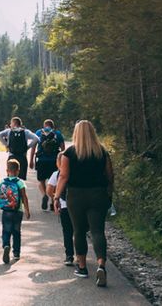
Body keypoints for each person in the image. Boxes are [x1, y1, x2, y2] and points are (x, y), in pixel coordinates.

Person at [54, 120, 114, 287]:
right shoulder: (102, 151)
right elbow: (110, 175)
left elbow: (63, 176)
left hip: (76, 196)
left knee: (78, 231)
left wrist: (56, 196)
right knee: (97, 231)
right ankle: (101, 265)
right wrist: (109, 192)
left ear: (76, 133)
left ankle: (82, 267)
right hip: (98, 194)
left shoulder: (70, 152)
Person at [0, 158, 30, 264]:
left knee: (6, 230)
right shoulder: (20, 183)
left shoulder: (2, 182)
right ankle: (16, 253)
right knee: (16, 232)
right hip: (17, 211)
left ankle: (6, 245)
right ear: (18, 171)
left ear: (7, 171)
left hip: (6, 211)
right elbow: (24, 197)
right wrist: (27, 210)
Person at [31, 119, 66, 210]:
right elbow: (63, 148)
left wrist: (31, 160)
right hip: (54, 161)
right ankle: (52, 201)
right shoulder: (57, 133)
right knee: (53, 182)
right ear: (53, 126)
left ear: (44, 125)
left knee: (41, 181)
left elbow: (33, 147)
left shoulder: (39, 132)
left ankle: (44, 195)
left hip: (42, 160)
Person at [47, 157, 75, 266]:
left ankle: (69, 256)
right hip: (78, 206)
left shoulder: (56, 174)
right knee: (78, 231)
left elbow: (49, 190)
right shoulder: (75, 171)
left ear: (58, 163)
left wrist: (55, 198)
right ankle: (82, 256)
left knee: (67, 232)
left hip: (64, 206)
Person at [0, 116, 38, 181]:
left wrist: (7, 145)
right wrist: (27, 147)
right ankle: (20, 190)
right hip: (22, 158)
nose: (10, 125)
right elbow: (36, 138)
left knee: (11, 179)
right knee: (21, 180)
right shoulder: (26, 132)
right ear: (20, 124)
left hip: (12, 157)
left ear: (14, 123)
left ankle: (12, 190)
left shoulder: (9, 131)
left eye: (11, 123)